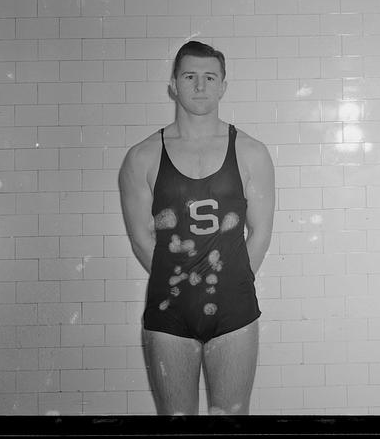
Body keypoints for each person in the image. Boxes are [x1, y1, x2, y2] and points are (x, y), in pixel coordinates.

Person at [118, 40, 275, 415]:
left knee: (232, 418)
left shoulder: (252, 151)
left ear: (223, 85)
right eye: (190, 76)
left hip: (234, 310)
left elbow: (262, 233)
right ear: (173, 84)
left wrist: (230, 282)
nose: (200, 86)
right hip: (169, 311)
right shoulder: (142, 156)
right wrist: (185, 279)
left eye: (209, 77)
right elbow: (142, 239)